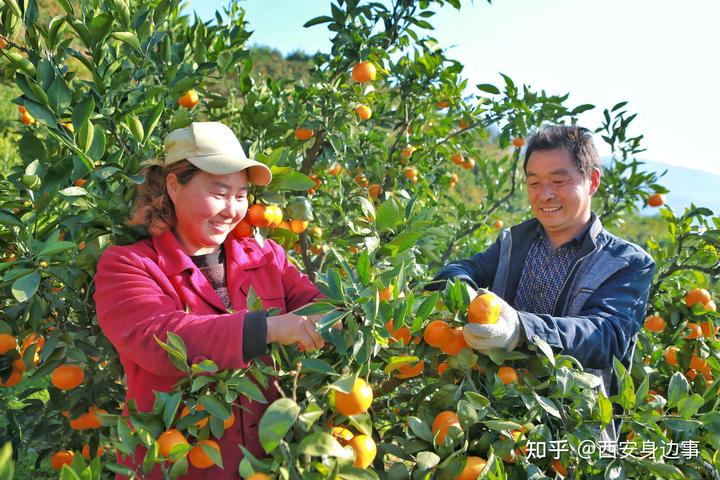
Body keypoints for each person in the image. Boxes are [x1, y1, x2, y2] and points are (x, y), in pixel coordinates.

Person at [94, 122, 325, 478]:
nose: (232, 210)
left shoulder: (265, 256)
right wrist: (271, 328)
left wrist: (361, 307)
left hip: (265, 465)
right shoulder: (128, 265)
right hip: (180, 465)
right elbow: (161, 338)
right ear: (173, 186)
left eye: (241, 194)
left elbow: (319, 305)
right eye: (219, 193)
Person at [428, 125, 655, 441]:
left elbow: (606, 338)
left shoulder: (627, 263)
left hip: (573, 433)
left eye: (559, 181)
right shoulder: (513, 242)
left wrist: (521, 330)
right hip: (495, 422)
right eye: (534, 182)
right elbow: (459, 268)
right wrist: (463, 293)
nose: (545, 194)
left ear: (592, 181)